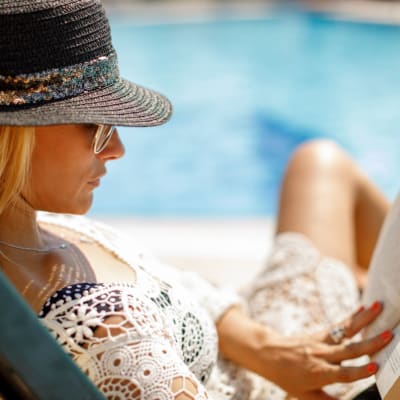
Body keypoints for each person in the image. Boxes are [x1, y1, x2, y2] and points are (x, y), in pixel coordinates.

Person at [0, 1, 393, 399]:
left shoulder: (41, 232)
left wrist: (267, 349)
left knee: (321, 163)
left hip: (270, 360)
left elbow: (181, 285)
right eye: (96, 127)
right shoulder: (108, 329)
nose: (116, 148)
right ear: (12, 136)